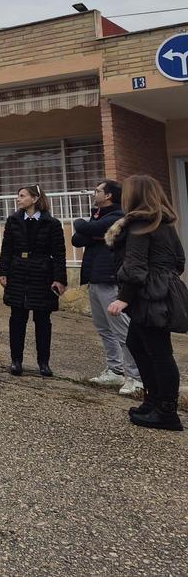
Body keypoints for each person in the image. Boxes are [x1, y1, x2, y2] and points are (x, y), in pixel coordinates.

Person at [106, 175, 186, 431]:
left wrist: (123, 298)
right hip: (163, 290)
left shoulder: (140, 225)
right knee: (138, 344)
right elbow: (179, 261)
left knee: (159, 351)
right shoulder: (163, 223)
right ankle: (153, 401)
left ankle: (166, 411)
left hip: (149, 295)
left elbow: (135, 265)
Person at [72, 179, 143, 395]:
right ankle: (115, 370)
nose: (95, 193)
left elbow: (82, 227)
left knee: (122, 330)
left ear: (109, 195)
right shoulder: (99, 215)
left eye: (98, 191)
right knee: (104, 329)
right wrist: (95, 234)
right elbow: (77, 239)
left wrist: (89, 229)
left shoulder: (118, 215)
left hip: (110, 278)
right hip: (94, 277)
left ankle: (137, 377)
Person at [0, 184, 67, 377]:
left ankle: (43, 363)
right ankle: (16, 361)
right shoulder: (13, 220)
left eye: (22, 196)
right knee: (17, 319)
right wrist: (2, 271)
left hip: (42, 274)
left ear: (35, 199)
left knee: (43, 320)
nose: (18, 199)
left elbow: (59, 253)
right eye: (18, 196)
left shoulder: (51, 223)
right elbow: (7, 249)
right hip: (18, 272)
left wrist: (59, 279)